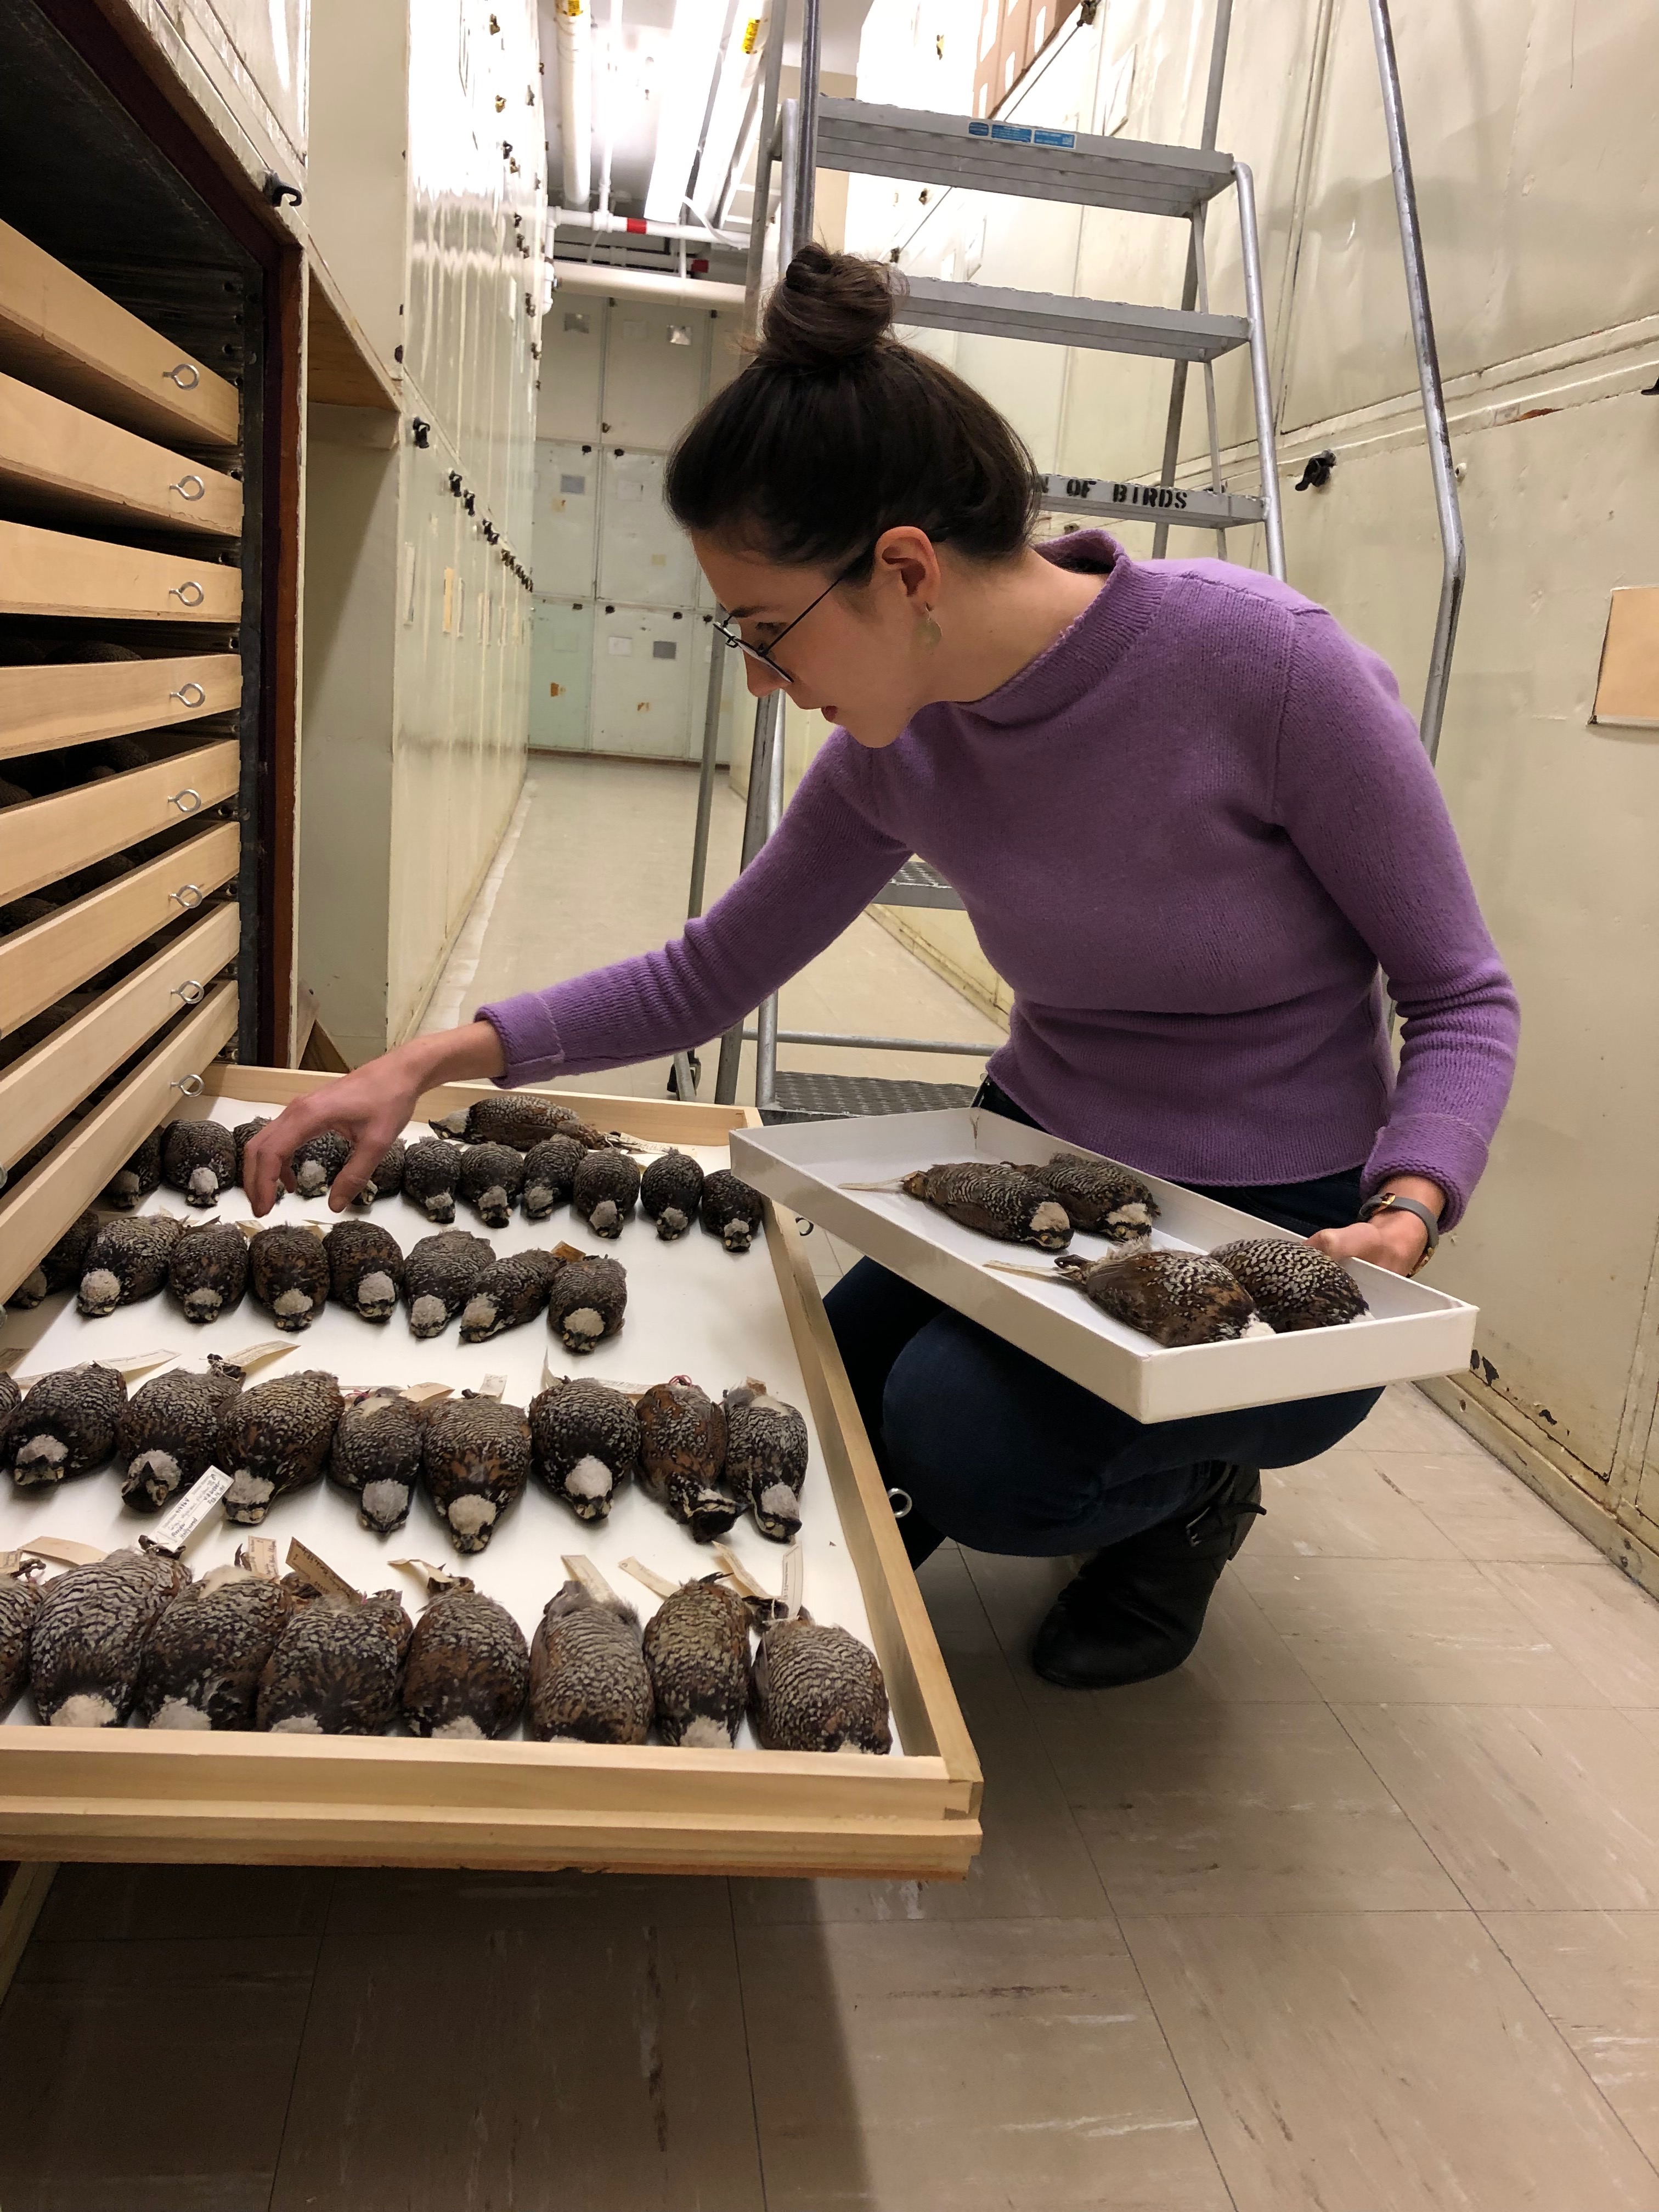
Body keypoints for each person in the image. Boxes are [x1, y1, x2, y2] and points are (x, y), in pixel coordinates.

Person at [245, 244, 1519, 1691]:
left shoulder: (1265, 672)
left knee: (961, 1437)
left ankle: (1195, 1502)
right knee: (834, 1401)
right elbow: (709, 971)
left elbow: (1466, 998)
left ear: (905, 567)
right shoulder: (893, 746)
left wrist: (1407, 1211)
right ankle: (897, 1529)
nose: (760, 681)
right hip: (1037, 1162)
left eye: (767, 633)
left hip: (1266, 1219)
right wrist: (430, 1061)